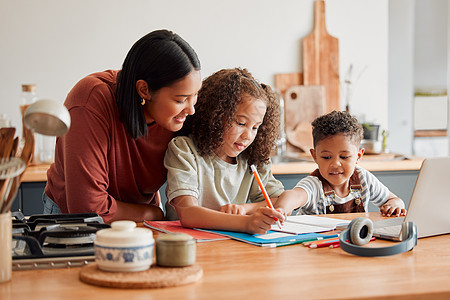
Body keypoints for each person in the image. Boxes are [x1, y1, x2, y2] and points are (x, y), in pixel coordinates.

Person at [43, 29, 202, 223]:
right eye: (181, 99)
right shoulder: (90, 101)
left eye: (195, 96)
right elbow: (89, 208)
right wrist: (153, 213)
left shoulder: (178, 115)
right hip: (75, 222)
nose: (191, 109)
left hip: (140, 215)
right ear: (144, 90)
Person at [164, 68, 285, 234]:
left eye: (256, 127)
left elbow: (279, 200)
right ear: (216, 115)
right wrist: (245, 222)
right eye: (241, 123)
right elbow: (188, 213)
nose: (248, 135)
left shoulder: (252, 159)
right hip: (184, 244)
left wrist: (245, 209)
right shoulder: (185, 150)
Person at [275, 110, 406, 217]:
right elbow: (293, 195)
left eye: (344, 156)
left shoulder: (363, 178)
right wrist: (282, 208)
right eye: (326, 157)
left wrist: (395, 205)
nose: (336, 163)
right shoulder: (314, 185)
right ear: (315, 156)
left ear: (358, 156)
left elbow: (394, 199)